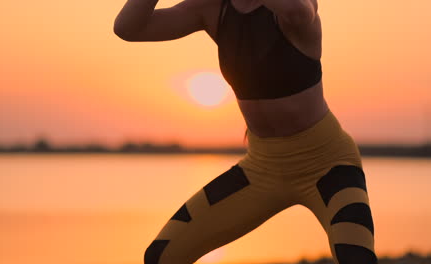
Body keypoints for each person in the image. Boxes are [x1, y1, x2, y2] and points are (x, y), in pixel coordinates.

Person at [113, 0, 378, 263]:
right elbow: (128, 29)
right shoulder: (213, 9)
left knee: (356, 258)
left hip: (328, 164)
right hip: (261, 169)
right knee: (162, 256)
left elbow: (298, 13)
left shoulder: (293, 7)